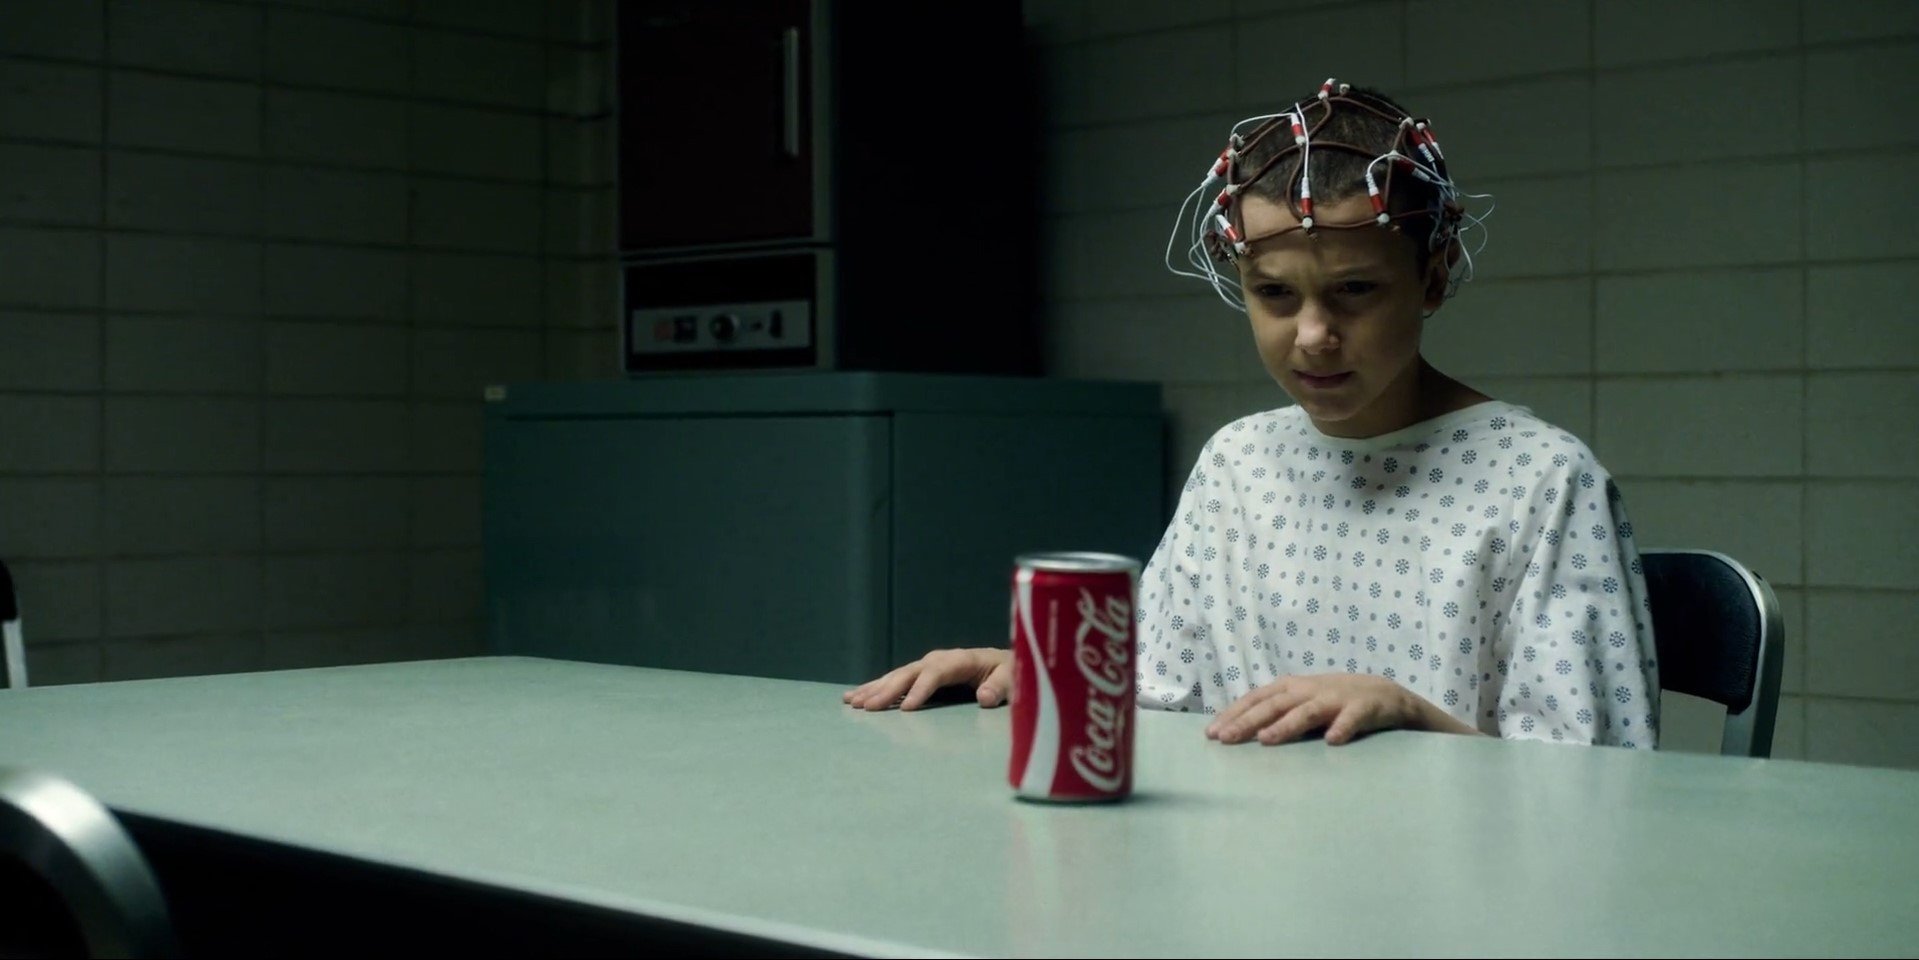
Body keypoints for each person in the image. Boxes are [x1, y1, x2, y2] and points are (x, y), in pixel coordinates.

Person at [843, 78, 1660, 749]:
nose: (1312, 334)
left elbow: (1594, 783)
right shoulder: (1238, 463)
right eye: (1273, 294)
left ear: (1434, 277)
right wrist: (1029, 671)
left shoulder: (1541, 482)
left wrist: (1407, 714)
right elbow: (1163, 693)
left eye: (1355, 290)